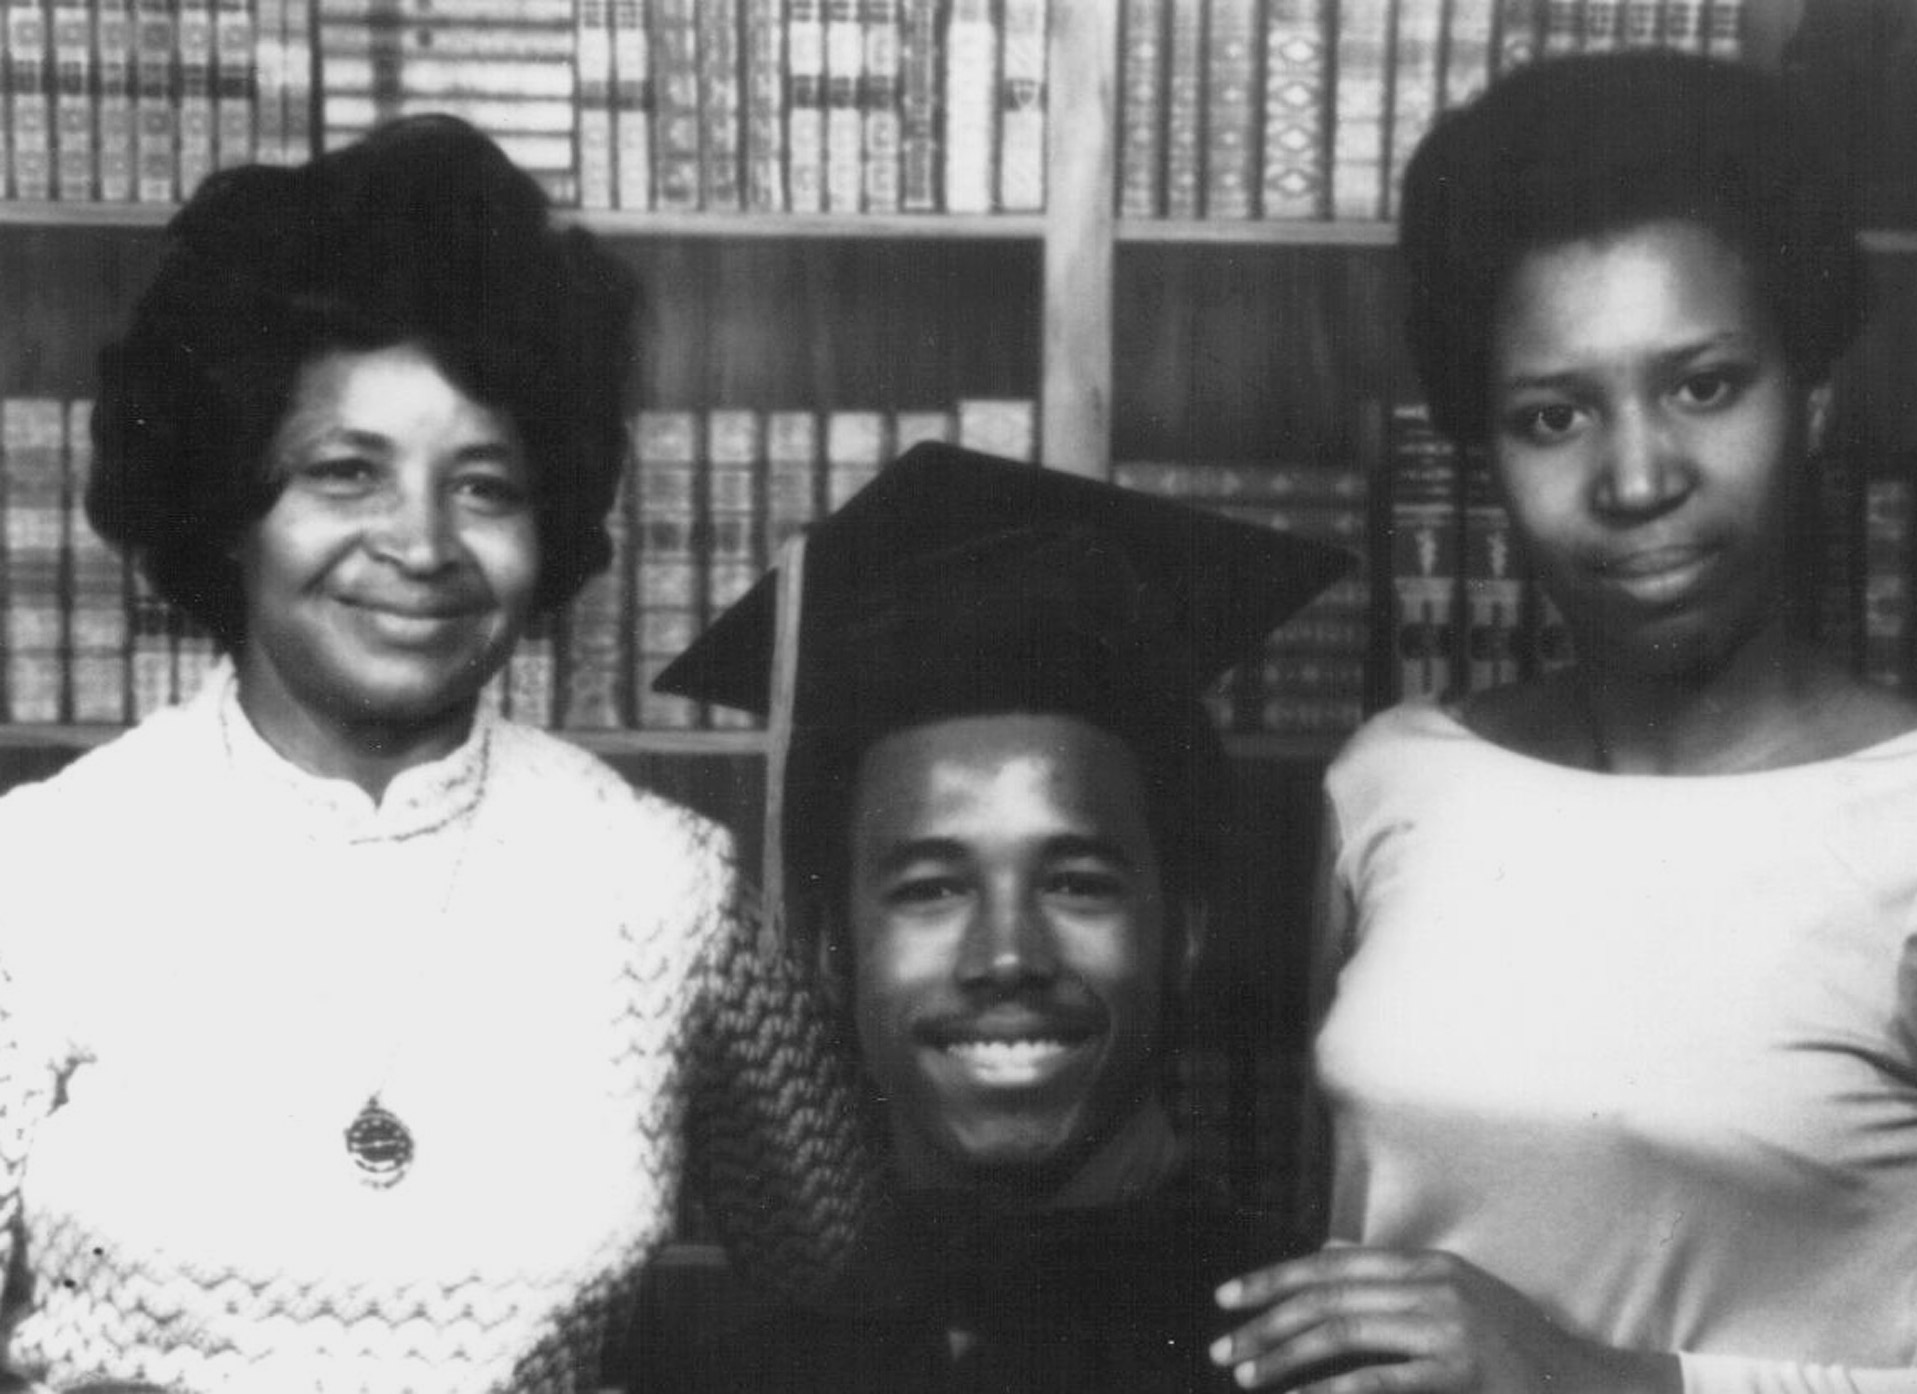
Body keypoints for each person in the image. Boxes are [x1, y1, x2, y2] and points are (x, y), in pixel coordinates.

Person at [1212, 50, 1917, 1394]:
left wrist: (1618, 1383)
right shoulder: (1396, 780)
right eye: (1555, 413)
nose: (1636, 478)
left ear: (1811, 396)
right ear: (1483, 450)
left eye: (1702, 385)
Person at [0, 117, 867, 1393]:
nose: (421, 543)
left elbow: (854, 1270)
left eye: (485, 485)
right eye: (346, 472)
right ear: (227, 505)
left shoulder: (663, 889)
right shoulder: (47, 872)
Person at [635, 443, 1349, 1393]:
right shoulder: (733, 1382)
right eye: (930, 888)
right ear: (828, 948)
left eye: (1078, 883)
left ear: (1183, 930)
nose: (1007, 956)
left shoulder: (1324, 1371)